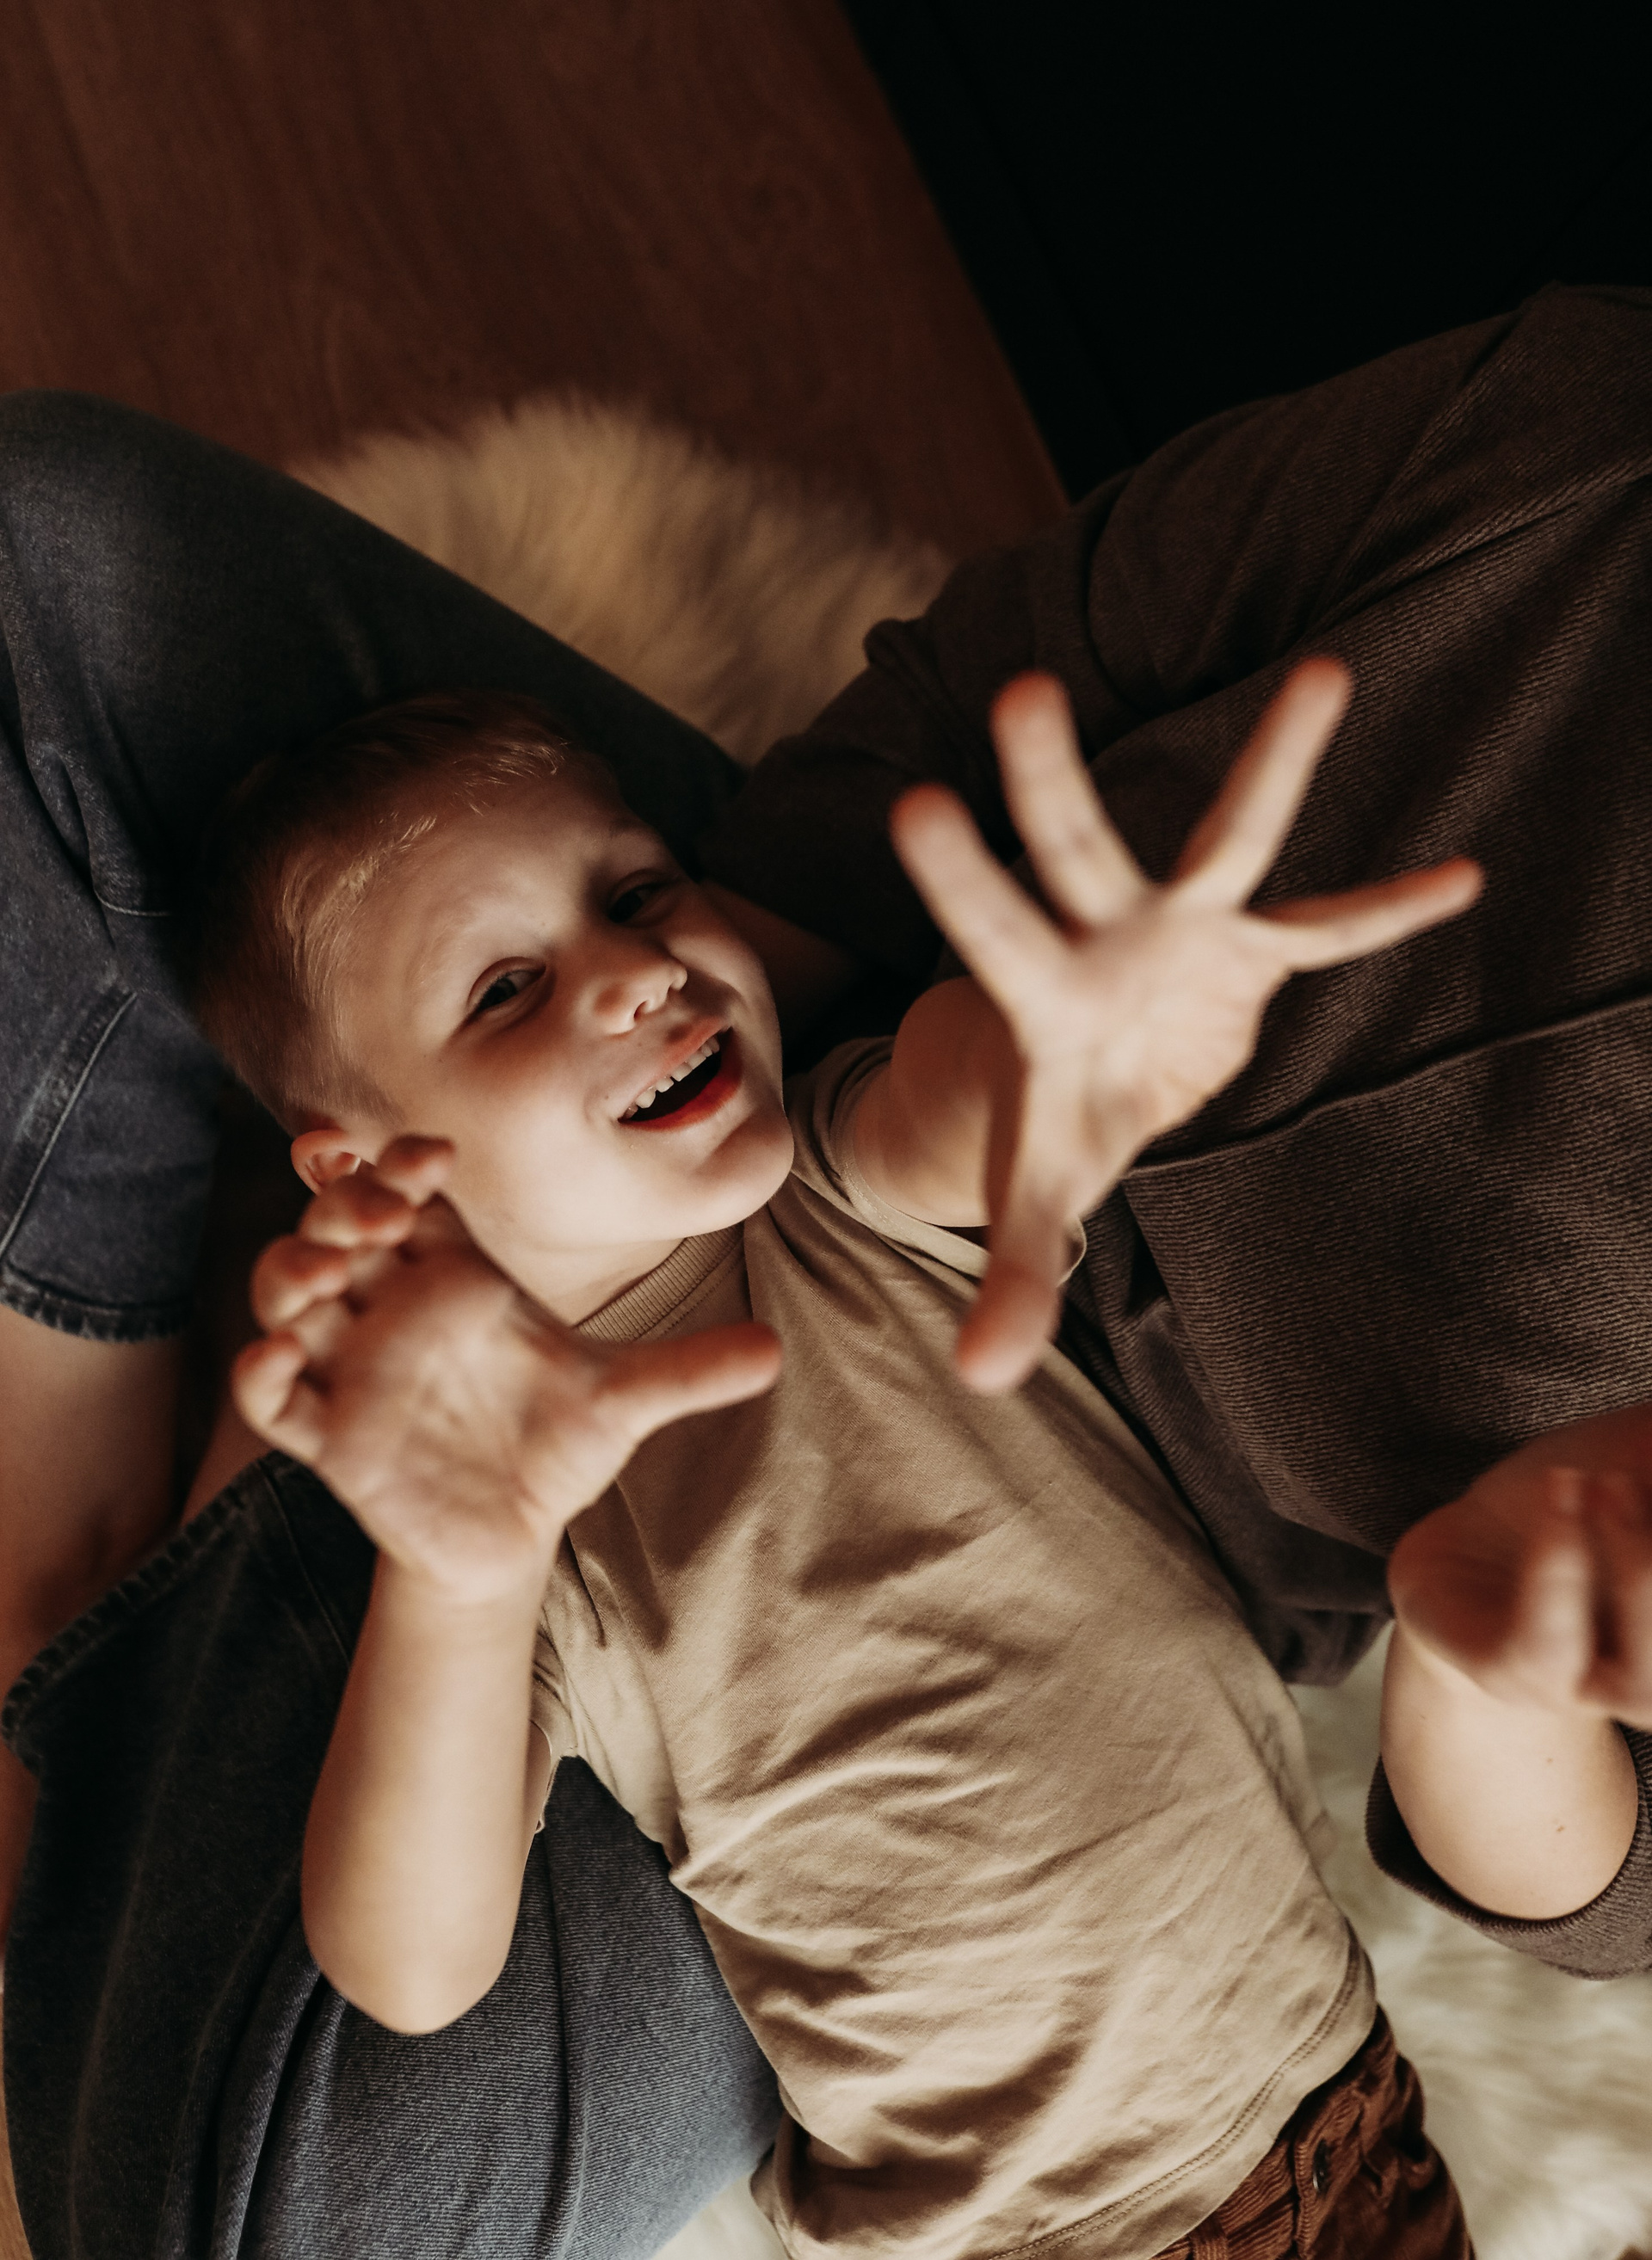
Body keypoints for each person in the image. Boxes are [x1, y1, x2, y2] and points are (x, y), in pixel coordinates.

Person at [202, 670, 1482, 2257]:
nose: (641, 974)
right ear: (362, 1170)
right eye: (509, 991)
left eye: (640, 893)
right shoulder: (516, 1513)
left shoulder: (835, 1185)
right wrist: (460, 1576)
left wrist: (1075, 1042)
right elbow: (408, 1968)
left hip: (1335, 2115)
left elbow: (963, 1091)